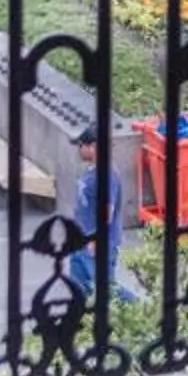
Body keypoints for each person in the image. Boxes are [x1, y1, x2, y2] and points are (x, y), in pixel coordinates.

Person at [64, 124, 137, 300]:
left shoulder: (107, 175)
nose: (79, 149)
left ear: (94, 146)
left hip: (96, 246)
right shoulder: (92, 171)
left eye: (81, 145)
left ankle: (139, 309)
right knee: (79, 289)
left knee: (107, 291)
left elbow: (107, 212)